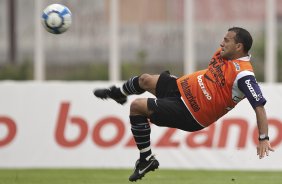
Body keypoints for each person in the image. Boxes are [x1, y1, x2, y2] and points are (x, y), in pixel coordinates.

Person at [93, 27, 274, 182]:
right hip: (180, 88)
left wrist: (263, 138)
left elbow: (259, 107)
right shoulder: (224, 55)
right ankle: (119, 94)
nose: (221, 43)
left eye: (226, 40)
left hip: (191, 112)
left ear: (238, 46)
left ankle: (146, 158)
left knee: (137, 107)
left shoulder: (244, 75)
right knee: (145, 80)